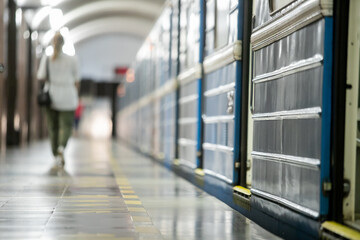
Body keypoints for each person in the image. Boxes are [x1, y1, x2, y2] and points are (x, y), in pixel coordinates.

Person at [37, 32, 80, 174]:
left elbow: (41, 77)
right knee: (66, 125)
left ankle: (56, 155)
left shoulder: (48, 59)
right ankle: (61, 147)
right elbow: (77, 81)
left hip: (52, 95)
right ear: (64, 43)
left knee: (53, 127)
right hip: (68, 96)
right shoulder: (73, 59)